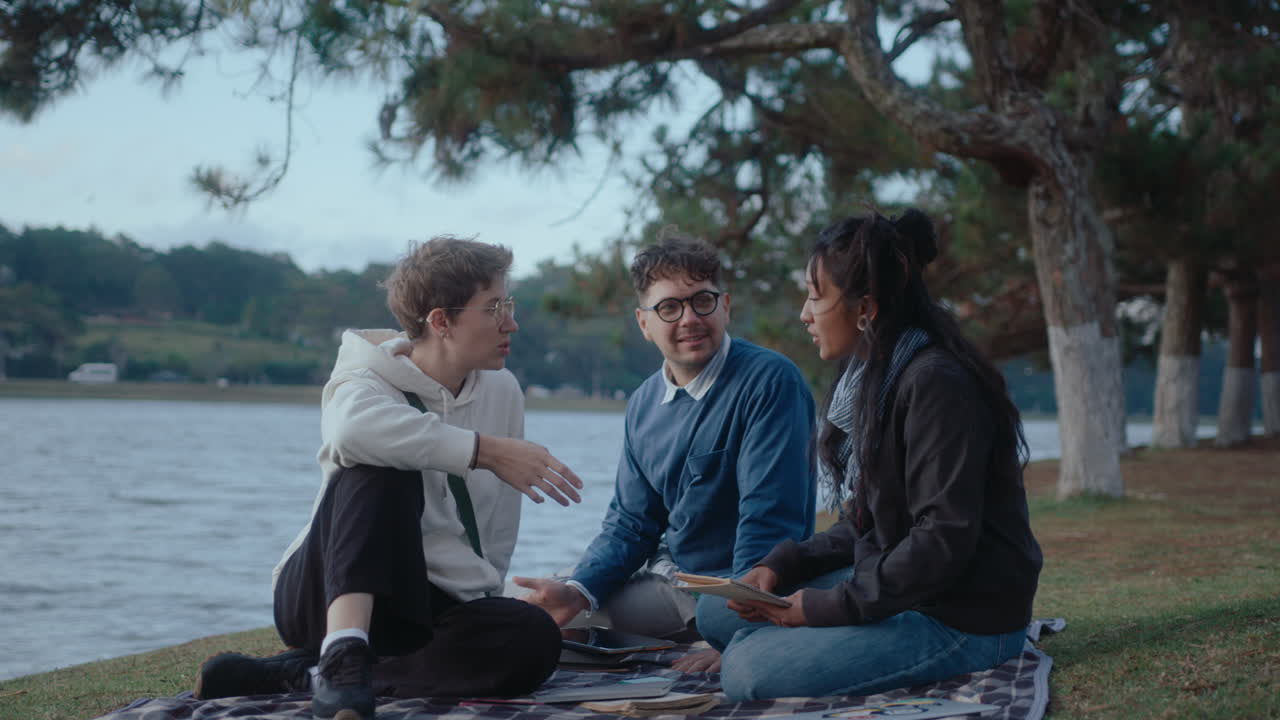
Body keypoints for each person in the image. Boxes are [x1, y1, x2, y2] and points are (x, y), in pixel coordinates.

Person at [194, 237, 584, 720]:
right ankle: (341, 650)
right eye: (494, 308)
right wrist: (483, 451)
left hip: (425, 604)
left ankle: (307, 676)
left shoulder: (503, 391)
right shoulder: (366, 379)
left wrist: (486, 602)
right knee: (381, 463)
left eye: (509, 304)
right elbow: (351, 430)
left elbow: (495, 531)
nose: (511, 323)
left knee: (532, 636)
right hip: (325, 589)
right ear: (441, 321)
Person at [696, 209, 1043, 700]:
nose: (804, 313)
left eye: (816, 296)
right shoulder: (873, 377)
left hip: (962, 614)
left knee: (747, 672)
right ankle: (788, 634)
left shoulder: (936, 383)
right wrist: (783, 564)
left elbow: (943, 540)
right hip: (910, 583)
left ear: (867, 307)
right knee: (716, 609)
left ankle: (780, 644)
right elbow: (866, 521)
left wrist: (823, 609)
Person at [514, 229, 817, 665]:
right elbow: (631, 524)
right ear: (644, 324)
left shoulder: (769, 381)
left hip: (731, 593)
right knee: (526, 608)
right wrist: (578, 592)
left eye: (702, 301)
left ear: (725, 306)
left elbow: (770, 520)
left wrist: (745, 634)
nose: (689, 318)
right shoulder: (643, 402)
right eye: (669, 308)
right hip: (667, 582)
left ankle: (714, 638)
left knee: (562, 633)